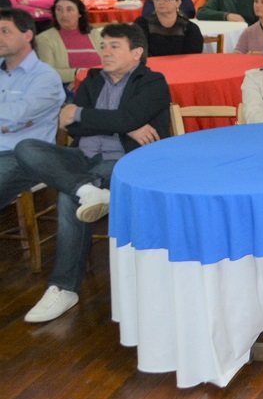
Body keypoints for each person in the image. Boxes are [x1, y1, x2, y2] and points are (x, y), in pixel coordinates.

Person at [15, 23, 170, 324]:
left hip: (124, 162)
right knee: (27, 148)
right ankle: (87, 189)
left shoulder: (152, 82)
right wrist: (125, 123)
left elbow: (86, 117)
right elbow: (69, 125)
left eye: (115, 46)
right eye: (104, 45)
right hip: (80, 157)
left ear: (136, 52)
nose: (105, 51)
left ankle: (63, 287)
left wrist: (89, 115)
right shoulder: (91, 80)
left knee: (68, 197)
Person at [0, 9, 66, 223]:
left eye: (5, 31)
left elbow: (16, 117)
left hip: (22, 156)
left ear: (27, 36)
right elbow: (12, 119)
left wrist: (13, 120)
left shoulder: (45, 77)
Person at [34, 0, 102, 94]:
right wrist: (78, 76)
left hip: (98, 81)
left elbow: (108, 62)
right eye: (59, 9)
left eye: (69, 9)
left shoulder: (94, 34)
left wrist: (87, 78)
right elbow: (48, 72)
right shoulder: (44, 39)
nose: (64, 14)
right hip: (65, 86)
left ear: (80, 13)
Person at [135, 0, 203, 57]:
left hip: (181, 66)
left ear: (178, 3)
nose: (160, 2)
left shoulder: (190, 28)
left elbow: (193, 57)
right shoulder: (142, 24)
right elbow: (138, 52)